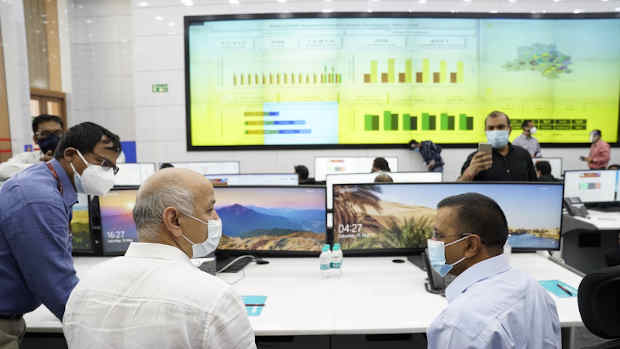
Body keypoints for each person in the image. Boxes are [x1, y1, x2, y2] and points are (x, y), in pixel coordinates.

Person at [63, 168, 257, 349]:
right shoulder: (215, 298)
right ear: (174, 220)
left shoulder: (84, 288)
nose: (215, 218)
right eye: (208, 210)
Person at [0, 122, 121, 347]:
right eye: (102, 163)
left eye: (112, 168)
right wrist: (104, 334)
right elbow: (54, 282)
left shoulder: (50, 183)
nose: (106, 173)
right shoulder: (39, 198)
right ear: (71, 155)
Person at [426, 193, 561, 349]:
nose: (431, 242)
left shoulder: (458, 325)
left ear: (470, 245)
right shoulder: (534, 289)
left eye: (437, 235)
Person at [459, 111, 537, 182]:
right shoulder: (476, 158)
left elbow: (534, 185)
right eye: (491, 128)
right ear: (485, 131)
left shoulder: (523, 154)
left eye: (500, 127)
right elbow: (459, 187)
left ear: (509, 129)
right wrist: (469, 174)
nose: (495, 131)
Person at [0, 114, 64, 181]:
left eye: (58, 133)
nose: (53, 138)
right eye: (45, 134)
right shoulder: (29, 157)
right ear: (35, 139)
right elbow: (2, 170)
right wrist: (42, 167)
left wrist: (61, 166)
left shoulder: (73, 156)